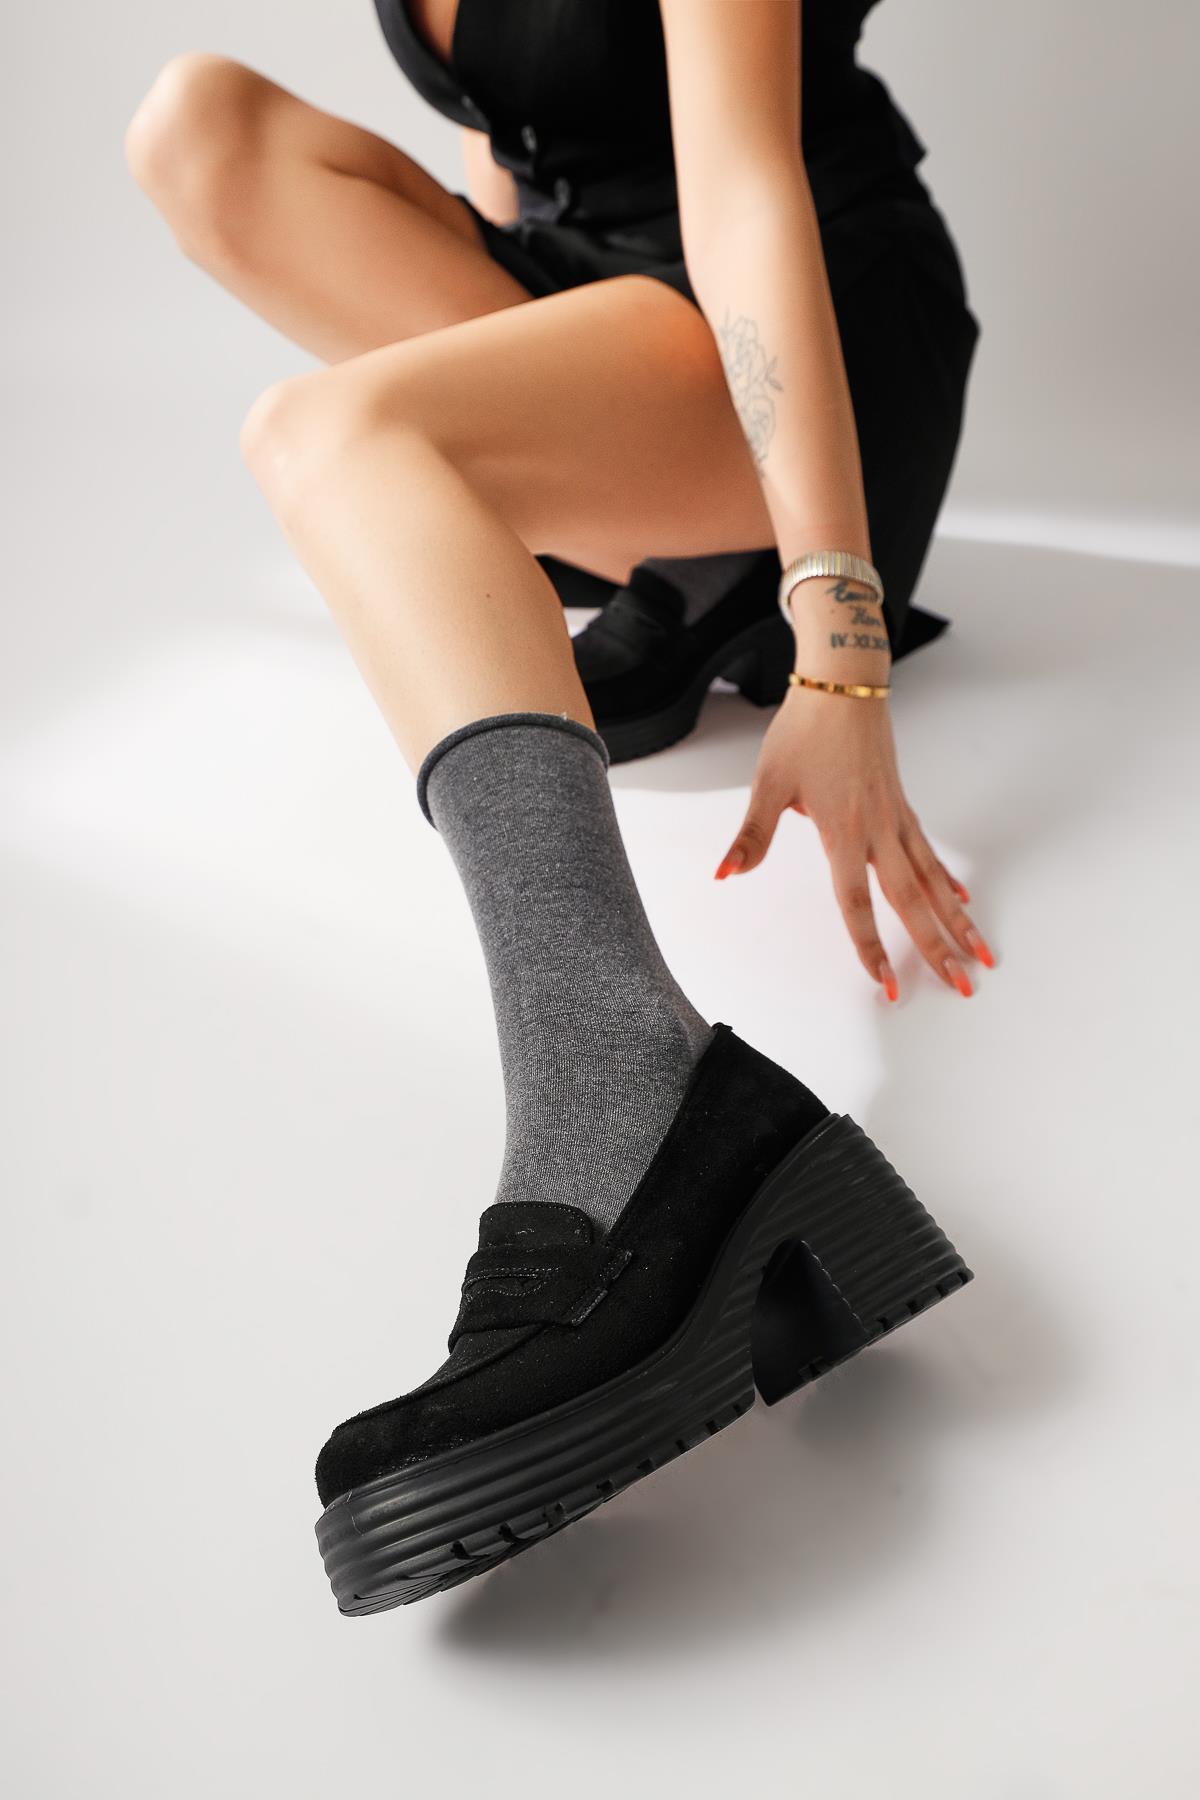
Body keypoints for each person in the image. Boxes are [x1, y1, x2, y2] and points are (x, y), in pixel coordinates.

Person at [125, 0, 981, 1612]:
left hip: (802, 332)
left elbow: (744, 189)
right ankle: (665, 552)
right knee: (200, 129)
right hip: (601, 296)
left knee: (329, 430)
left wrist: (839, 635)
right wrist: (510, 414)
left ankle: (621, 1074)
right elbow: (512, 143)